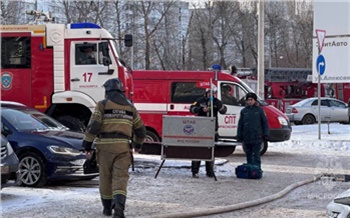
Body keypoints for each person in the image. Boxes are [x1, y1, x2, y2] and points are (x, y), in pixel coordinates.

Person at [82, 78, 146, 218]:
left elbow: (94, 126)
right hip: (123, 147)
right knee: (120, 178)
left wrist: (87, 144)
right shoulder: (130, 107)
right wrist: (138, 144)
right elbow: (141, 130)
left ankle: (106, 209)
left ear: (107, 91)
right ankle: (119, 209)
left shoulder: (102, 105)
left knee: (105, 177)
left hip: (104, 147)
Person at [189, 86, 227, 178]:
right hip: (200, 130)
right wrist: (201, 109)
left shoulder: (216, 101)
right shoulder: (200, 100)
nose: (211, 95)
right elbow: (192, 109)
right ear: (206, 93)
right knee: (198, 151)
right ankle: (195, 171)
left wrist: (219, 105)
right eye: (210, 93)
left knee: (211, 151)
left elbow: (223, 111)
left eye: (213, 93)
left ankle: (209, 171)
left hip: (212, 130)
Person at [236, 92, 269, 170]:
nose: (250, 101)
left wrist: (266, 134)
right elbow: (240, 124)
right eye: (248, 100)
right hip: (246, 137)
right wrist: (239, 135)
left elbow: (264, 122)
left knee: (256, 155)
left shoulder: (259, 111)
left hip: (257, 136)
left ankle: (257, 169)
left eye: (251, 100)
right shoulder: (244, 111)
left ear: (255, 100)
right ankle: (250, 169)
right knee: (248, 154)